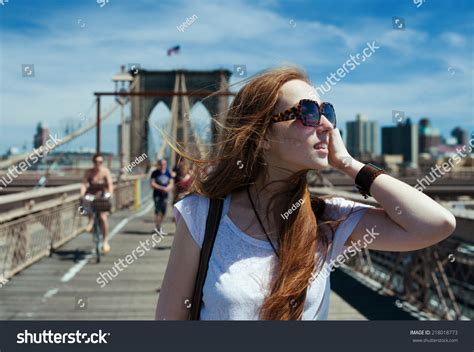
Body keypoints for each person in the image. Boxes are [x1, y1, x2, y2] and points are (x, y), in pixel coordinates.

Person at [155, 67, 456, 320]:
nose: (326, 125)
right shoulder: (201, 215)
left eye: (327, 112)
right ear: (262, 137)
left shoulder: (328, 219)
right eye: (307, 113)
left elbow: (437, 224)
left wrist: (350, 165)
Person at [80, 153, 114, 254]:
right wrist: (82, 194)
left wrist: (110, 194)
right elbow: (84, 184)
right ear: (93, 162)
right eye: (96, 162)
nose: (98, 163)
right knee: (86, 204)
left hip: (102, 195)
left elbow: (110, 184)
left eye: (100, 162)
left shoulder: (105, 171)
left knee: (103, 217)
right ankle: (90, 222)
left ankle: (105, 241)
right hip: (92, 194)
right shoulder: (89, 172)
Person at [150, 159, 174, 231]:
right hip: (157, 194)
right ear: (158, 165)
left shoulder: (168, 173)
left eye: (164, 164)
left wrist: (168, 188)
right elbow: (152, 183)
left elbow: (171, 183)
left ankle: (160, 224)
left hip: (165, 195)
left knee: (164, 211)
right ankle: (157, 226)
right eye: (161, 164)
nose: (163, 166)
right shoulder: (155, 173)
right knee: (157, 210)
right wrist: (161, 188)